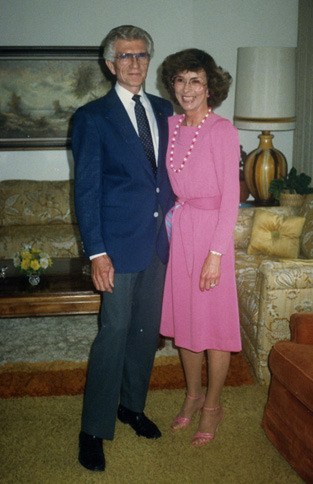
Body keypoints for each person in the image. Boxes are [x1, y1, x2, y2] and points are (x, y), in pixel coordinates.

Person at [71, 25, 174, 472]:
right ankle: (92, 428)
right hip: (116, 245)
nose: (135, 63)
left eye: (142, 55)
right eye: (125, 56)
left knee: (146, 334)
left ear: (149, 59)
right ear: (110, 64)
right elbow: (86, 191)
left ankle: (131, 405)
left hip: (158, 244)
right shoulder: (92, 117)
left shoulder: (165, 109)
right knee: (113, 334)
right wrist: (96, 253)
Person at [160, 48, 242, 447]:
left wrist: (216, 255)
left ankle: (212, 404)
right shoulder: (170, 125)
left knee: (215, 327)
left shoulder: (222, 130)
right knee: (186, 324)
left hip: (213, 236)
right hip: (182, 230)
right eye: (179, 80)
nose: (186, 88)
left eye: (195, 80)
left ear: (210, 85)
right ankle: (192, 394)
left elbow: (231, 199)